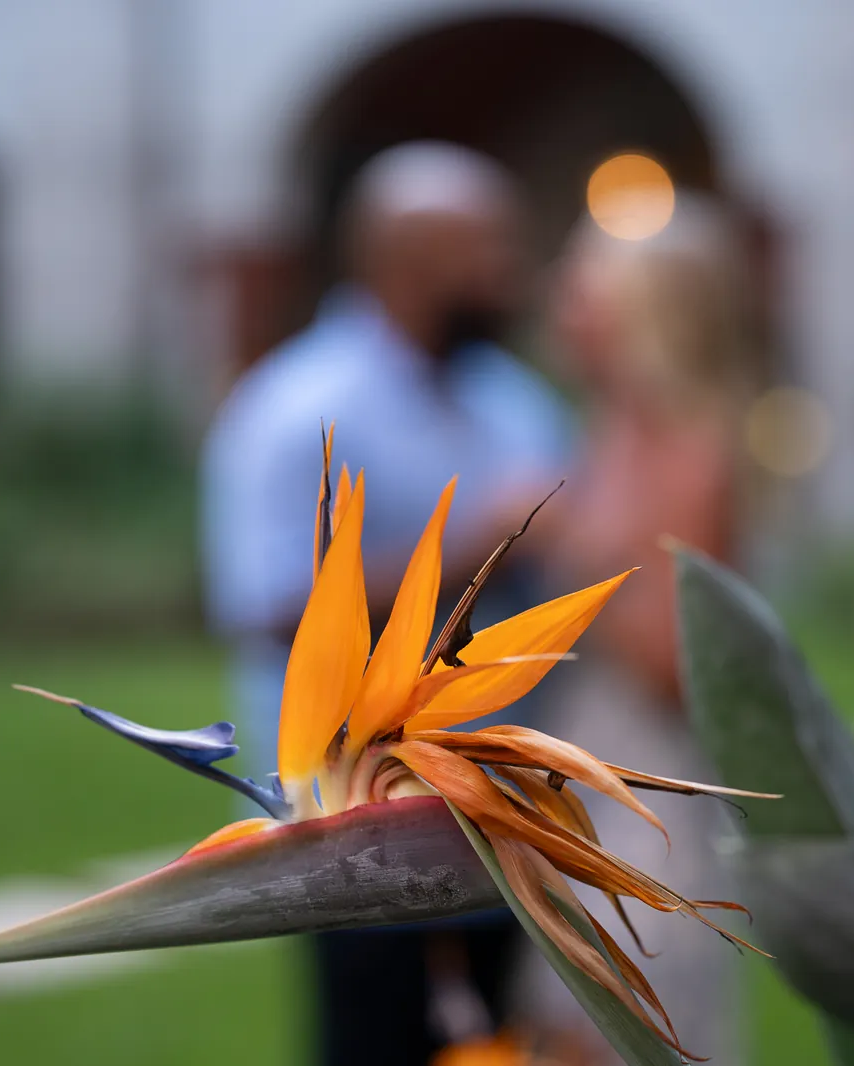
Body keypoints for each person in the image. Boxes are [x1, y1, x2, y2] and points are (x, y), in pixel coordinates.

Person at [200, 141, 574, 1066]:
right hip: (358, 816)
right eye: (487, 250)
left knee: (500, 1041)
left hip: (510, 806)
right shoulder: (293, 410)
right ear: (408, 263)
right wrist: (468, 551)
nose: (511, 274)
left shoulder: (517, 401)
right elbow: (269, 603)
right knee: (377, 1037)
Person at [515, 192, 761, 1065]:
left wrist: (572, 547)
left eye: (584, 286)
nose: (561, 302)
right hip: (585, 777)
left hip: (648, 799)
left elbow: (676, 666)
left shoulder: (692, 446)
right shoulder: (609, 428)